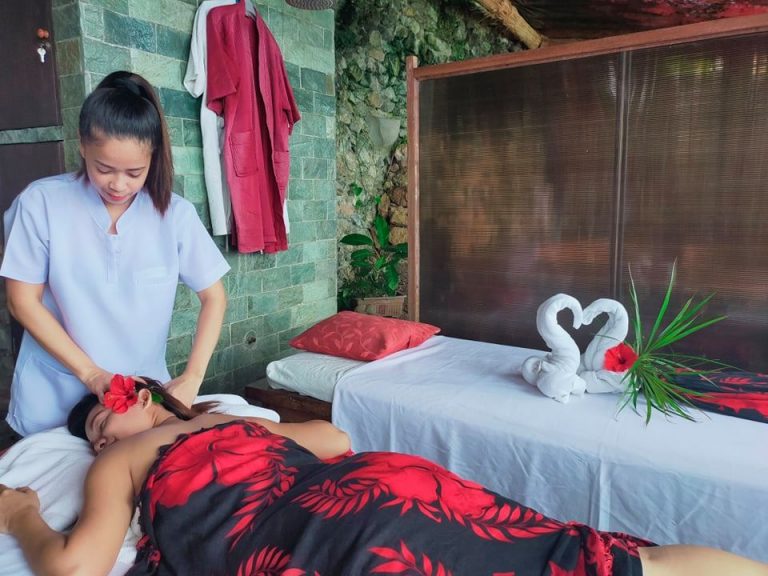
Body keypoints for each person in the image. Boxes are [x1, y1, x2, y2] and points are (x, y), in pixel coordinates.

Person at [0, 377, 766, 576]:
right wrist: (244, 431)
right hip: (386, 484)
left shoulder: (136, 454)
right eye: (96, 433)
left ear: (142, 396)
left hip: (327, 533)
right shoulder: (226, 423)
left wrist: (19, 515)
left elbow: (73, 566)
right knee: (584, 556)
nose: (104, 436)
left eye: (102, 422)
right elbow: (334, 439)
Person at [0, 71, 230, 436]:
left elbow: (213, 297)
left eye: (134, 173)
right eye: (104, 169)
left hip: (134, 410)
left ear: (153, 158)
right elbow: (21, 301)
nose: (118, 185)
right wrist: (91, 374)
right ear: (82, 146)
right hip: (52, 398)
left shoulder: (175, 215)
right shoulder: (41, 204)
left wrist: (192, 377)